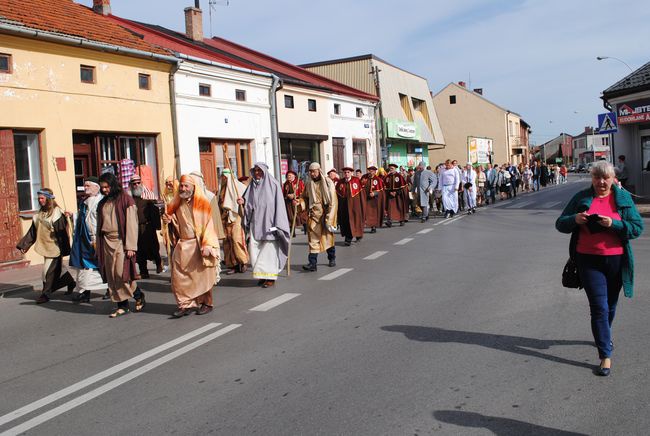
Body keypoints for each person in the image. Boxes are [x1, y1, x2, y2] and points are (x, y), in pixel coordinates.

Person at [556, 161, 643, 376]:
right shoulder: (581, 198)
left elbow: (636, 228)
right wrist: (575, 219)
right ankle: (605, 354)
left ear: (614, 179)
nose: (601, 182)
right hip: (588, 260)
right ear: (592, 178)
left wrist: (613, 224)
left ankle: (605, 334)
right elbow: (560, 223)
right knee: (599, 308)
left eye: (606, 178)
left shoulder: (622, 199)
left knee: (610, 306)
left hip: (615, 261)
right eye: (597, 177)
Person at [165, 174, 221, 317]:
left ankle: (207, 303)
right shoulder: (175, 203)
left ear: (193, 188)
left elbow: (209, 225)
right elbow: (170, 220)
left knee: (201, 277)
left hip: (198, 244)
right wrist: (167, 220)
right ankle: (185, 305)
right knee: (179, 278)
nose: (183, 189)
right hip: (182, 244)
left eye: (186, 186)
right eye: (182, 186)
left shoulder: (202, 203)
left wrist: (207, 244)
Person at [96, 172, 145, 318]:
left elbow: (131, 224)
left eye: (106, 187)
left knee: (121, 273)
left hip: (120, 241)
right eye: (102, 187)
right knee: (111, 275)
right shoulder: (102, 203)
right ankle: (124, 304)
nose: (104, 190)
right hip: (107, 242)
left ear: (113, 185)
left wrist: (130, 246)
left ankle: (136, 296)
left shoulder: (126, 200)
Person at [17, 188, 75, 304]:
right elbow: (33, 232)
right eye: (39, 198)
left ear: (48, 199)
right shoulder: (39, 215)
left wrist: (69, 218)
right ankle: (70, 282)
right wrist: (25, 245)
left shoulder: (58, 213)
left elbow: (63, 232)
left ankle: (45, 294)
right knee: (58, 270)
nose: (40, 200)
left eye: (42, 198)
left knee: (47, 272)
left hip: (55, 248)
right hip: (45, 247)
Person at [240, 163, 291, 288]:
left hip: (270, 224)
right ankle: (262, 276)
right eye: (255, 171)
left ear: (264, 171)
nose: (257, 173)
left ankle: (270, 277)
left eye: (259, 170)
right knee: (255, 251)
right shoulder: (251, 186)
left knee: (269, 252)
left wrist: (278, 223)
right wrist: (242, 202)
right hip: (255, 224)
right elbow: (248, 205)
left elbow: (279, 205)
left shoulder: (274, 185)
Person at [67, 177, 106, 303]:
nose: (85, 187)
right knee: (84, 267)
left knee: (101, 265)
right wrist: (73, 215)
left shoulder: (102, 201)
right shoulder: (84, 202)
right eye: (85, 185)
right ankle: (84, 292)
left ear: (96, 187)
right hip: (84, 239)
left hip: (97, 238)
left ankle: (110, 288)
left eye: (88, 185)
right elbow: (83, 218)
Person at [302, 162, 337, 271]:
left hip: (325, 214)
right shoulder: (308, 184)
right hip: (314, 215)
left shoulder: (327, 182)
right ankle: (312, 263)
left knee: (327, 238)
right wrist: (299, 203)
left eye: (314, 171)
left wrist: (330, 217)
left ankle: (332, 258)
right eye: (310, 172)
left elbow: (333, 201)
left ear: (319, 170)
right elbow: (305, 198)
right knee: (313, 240)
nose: (312, 173)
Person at [130, 175, 162, 279]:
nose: (136, 185)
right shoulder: (129, 198)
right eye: (134, 183)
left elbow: (155, 211)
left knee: (153, 248)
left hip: (148, 227)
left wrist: (157, 226)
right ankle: (144, 271)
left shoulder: (149, 195)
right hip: (135, 228)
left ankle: (158, 263)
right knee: (139, 251)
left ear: (141, 183)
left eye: (138, 183)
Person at [218, 169, 249, 275]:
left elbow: (247, 200)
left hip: (236, 217)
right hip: (225, 218)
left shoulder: (239, 187)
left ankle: (243, 261)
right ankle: (233, 264)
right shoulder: (221, 189)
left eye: (225, 177)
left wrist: (242, 201)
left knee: (236, 239)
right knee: (227, 242)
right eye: (222, 177)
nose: (223, 179)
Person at [336, 167, 364, 245]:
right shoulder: (340, 182)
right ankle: (348, 238)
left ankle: (358, 234)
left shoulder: (356, 181)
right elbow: (337, 195)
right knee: (346, 221)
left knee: (356, 220)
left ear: (351, 173)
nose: (346, 174)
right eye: (345, 172)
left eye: (348, 172)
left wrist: (362, 205)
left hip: (355, 206)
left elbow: (361, 194)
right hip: (344, 206)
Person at [361, 165, 384, 233]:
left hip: (373, 200)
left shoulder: (378, 180)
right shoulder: (364, 177)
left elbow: (381, 191)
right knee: (364, 213)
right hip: (365, 198)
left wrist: (375, 193)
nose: (370, 172)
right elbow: (360, 185)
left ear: (375, 172)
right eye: (369, 171)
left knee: (373, 214)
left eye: (372, 171)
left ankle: (373, 227)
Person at [282, 170, 306, 235]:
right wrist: (287, 196)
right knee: (290, 216)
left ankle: (305, 226)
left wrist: (296, 196)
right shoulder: (285, 184)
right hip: (289, 203)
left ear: (294, 176)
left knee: (299, 215)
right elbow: (283, 193)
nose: (288, 177)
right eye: (287, 176)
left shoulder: (299, 182)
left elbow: (303, 191)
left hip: (297, 201)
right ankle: (293, 231)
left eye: (290, 175)